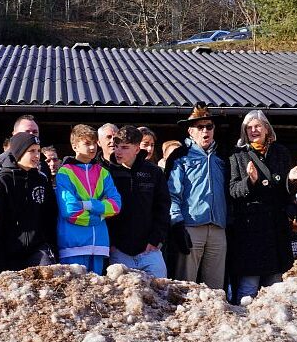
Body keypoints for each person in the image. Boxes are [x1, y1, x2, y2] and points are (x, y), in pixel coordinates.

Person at [228, 110, 297, 301]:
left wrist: (291, 181)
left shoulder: (280, 152)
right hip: (251, 227)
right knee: (248, 284)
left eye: (257, 126)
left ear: (267, 128)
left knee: (276, 284)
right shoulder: (238, 155)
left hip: (276, 226)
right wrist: (250, 181)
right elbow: (233, 190)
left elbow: (286, 192)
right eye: (249, 127)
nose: (253, 130)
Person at [166, 103, 228, 290]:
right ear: (190, 131)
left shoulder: (222, 157)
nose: (205, 131)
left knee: (216, 288)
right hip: (191, 226)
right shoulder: (180, 156)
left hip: (218, 227)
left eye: (209, 126)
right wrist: (176, 224)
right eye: (200, 127)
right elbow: (172, 193)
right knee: (185, 286)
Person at [56, 125, 121, 274]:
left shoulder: (103, 173)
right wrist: (100, 216)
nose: (92, 147)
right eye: (87, 143)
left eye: (94, 142)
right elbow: (71, 211)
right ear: (74, 146)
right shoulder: (65, 172)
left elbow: (116, 205)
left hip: (100, 245)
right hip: (72, 247)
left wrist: (88, 205)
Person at [0, 133, 57, 272]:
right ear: (19, 152)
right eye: (32, 151)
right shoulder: (3, 180)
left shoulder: (41, 180)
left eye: (38, 150)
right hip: (10, 251)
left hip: (38, 248)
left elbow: (50, 215)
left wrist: (50, 245)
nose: (37, 155)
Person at [108, 124, 170, 277]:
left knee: (160, 294)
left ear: (137, 149)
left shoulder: (154, 172)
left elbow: (163, 207)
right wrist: (111, 244)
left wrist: (155, 240)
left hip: (149, 250)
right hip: (119, 250)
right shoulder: (108, 172)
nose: (118, 151)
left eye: (124, 147)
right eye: (116, 146)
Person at [0, 115, 43, 191]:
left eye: (35, 132)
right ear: (14, 134)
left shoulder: (42, 163)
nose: (31, 135)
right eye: (27, 131)